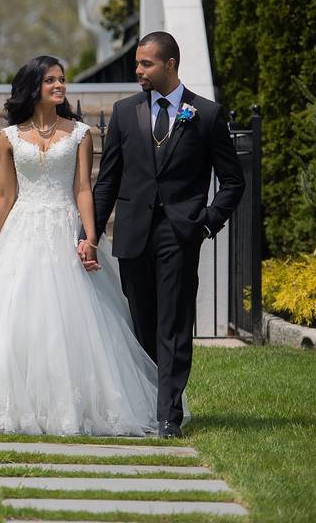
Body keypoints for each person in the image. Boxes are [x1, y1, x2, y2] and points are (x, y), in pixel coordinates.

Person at [0, 55, 160, 436]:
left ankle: (77, 403)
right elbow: (4, 195)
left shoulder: (81, 133)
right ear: (34, 87)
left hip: (64, 227)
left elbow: (84, 189)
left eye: (61, 79)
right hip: (23, 229)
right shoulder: (10, 137)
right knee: (16, 315)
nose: (59, 85)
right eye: (50, 80)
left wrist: (90, 238)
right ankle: (11, 398)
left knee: (73, 319)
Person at [79, 31, 244, 439]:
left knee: (173, 325)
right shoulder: (124, 113)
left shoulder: (204, 115)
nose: (138, 71)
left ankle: (168, 415)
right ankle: (146, 403)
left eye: (146, 64)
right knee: (143, 324)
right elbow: (107, 183)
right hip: (133, 236)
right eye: (137, 63)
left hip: (180, 234)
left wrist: (206, 222)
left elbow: (232, 182)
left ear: (170, 64)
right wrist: (92, 234)